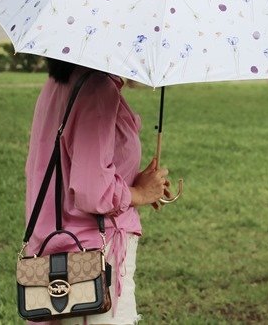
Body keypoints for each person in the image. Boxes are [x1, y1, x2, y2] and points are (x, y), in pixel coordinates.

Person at [24, 58, 169, 325]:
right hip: (94, 258)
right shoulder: (97, 88)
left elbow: (72, 168)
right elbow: (92, 192)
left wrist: (135, 183)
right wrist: (138, 193)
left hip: (59, 249)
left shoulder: (62, 83)